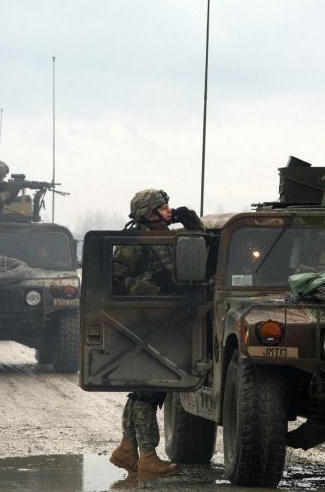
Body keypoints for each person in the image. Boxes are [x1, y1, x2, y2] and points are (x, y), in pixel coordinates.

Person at [109, 189, 204, 476]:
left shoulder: (168, 237)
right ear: (149, 213)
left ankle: (127, 450)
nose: (169, 211)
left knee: (142, 389)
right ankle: (147, 457)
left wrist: (192, 223)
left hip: (168, 319)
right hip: (148, 322)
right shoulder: (134, 243)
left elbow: (204, 254)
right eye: (163, 208)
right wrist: (156, 287)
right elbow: (118, 283)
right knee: (149, 390)